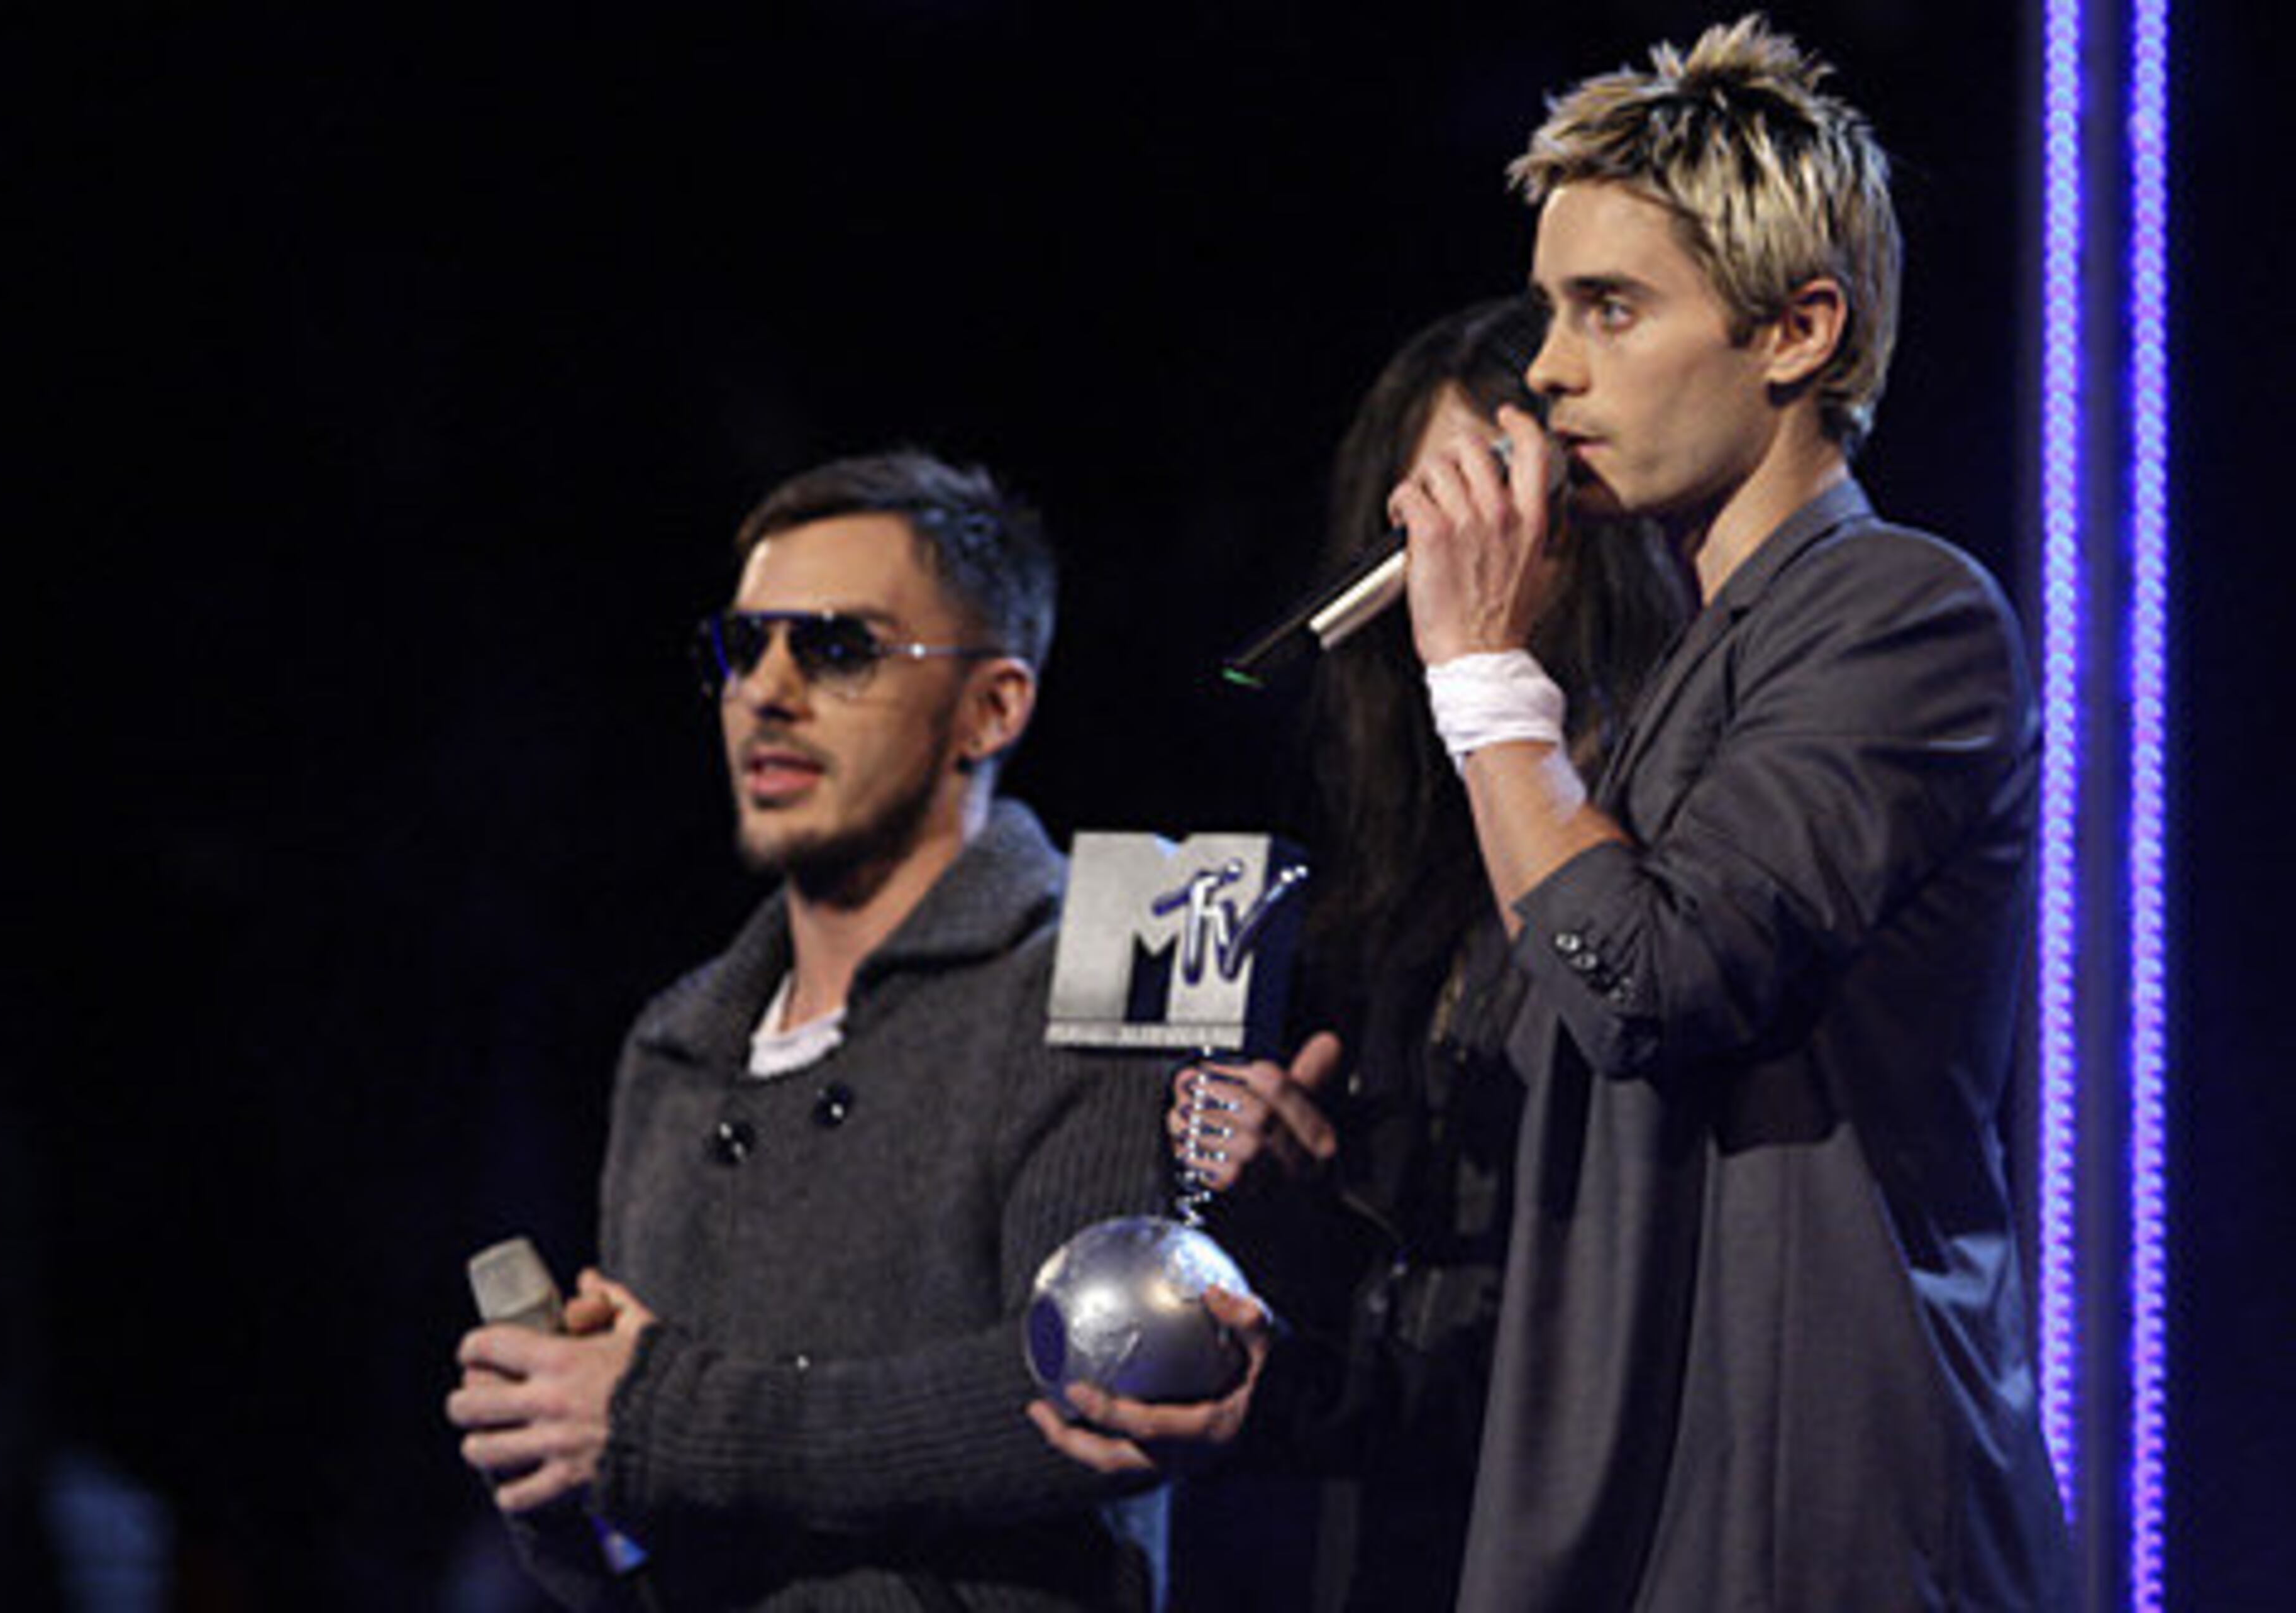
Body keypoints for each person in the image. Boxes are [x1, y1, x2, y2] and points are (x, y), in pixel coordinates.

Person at [1043, 18, 2076, 1609]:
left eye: (1611, 308)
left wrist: (1476, 671)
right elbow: (1565, 1226)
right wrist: (1332, 1208)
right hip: (1626, 1520)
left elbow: (1649, 978)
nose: (1550, 368)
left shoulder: (1901, 611)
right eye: (1552, 309)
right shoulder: (1658, 704)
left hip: (1819, 1528)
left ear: (1799, 330)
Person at [449, 450, 1173, 1611]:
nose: (767, 691)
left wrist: (651, 1416)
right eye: (742, 648)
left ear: (992, 705)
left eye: (838, 647)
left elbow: (1081, 1396)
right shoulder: (677, 1044)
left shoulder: (1097, 982)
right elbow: (640, 1521)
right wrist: (560, 1466)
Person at [1154, 294, 1689, 1612]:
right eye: (1420, 507)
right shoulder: (1410, 876)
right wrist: (1304, 1205)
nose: (1447, 543)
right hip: (1433, 1523)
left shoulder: (1657, 827)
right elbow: (1399, 1346)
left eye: (1486, 490)